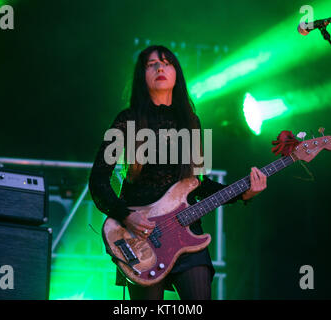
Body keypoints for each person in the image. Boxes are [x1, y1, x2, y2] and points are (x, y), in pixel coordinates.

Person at [89, 45, 267, 300]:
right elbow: (98, 180)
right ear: (142, 75)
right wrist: (125, 215)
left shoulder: (191, 121)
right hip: (142, 235)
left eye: (166, 62)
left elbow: (198, 184)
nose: (160, 67)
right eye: (151, 64)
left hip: (186, 232)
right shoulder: (127, 119)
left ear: (176, 73)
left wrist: (243, 193)